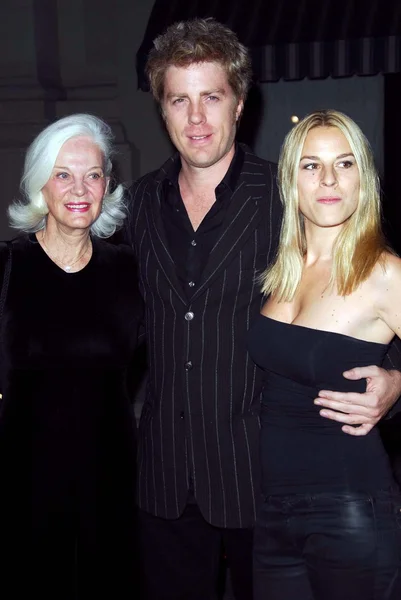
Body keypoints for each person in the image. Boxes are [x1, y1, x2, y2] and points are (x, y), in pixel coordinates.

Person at [126, 19, 401, 600]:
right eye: (180, 100)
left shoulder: (288, 198)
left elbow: (354, 295)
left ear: (240, 104)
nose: (197, 118)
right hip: (164, 477)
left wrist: (396, 383)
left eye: (212, 98)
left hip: (262, 478)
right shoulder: (139, 204)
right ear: (162, 108)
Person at [249, 109, 401, 600]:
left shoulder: (384, 272)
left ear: (364, 178)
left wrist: (399, 384)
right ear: (291, 181)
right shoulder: (280, 273)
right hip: (271, 513)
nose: (329, 179)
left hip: (351, 513)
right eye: (311, 165)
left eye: (345, 163)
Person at [0, 114, 143, 599]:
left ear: (107, 184)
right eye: (63, 174)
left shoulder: (129, 271)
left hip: (112, 481)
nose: (80, 189)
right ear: (42, 183)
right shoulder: (8, 266)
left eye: (93, 174)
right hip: (25, 483)